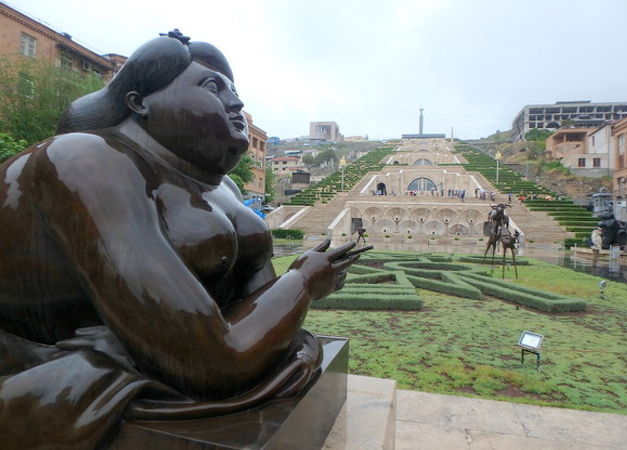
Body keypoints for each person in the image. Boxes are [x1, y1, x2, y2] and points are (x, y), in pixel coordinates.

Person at [0, 32, 360, 448]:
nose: (237, 102)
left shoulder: (224, 187)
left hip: (183, 347)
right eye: (212, 87)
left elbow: (263, 324)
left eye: (234, 90)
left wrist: (285, 297)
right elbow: (214, 360)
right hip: (35, 350)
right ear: (139, 103)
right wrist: (301, 284)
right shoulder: (87, 159)